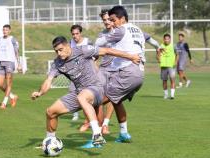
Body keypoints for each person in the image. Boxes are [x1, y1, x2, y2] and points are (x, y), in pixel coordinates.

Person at [31, 36, 141, 147]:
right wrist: (40, 93)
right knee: (50, 112)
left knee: (82, 97)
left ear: (68, 46)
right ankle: (49, 141)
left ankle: (97, 134)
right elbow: (48, 81)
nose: (59, 53)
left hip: (96, 88)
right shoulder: (57, 63)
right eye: (56, 51)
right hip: (79, 92)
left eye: (61, 49)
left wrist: (131, 57)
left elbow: (107, 50)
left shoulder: (82, 50)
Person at [95, 6, 145, 143]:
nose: (111, 23)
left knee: (94, 100)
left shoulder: (121, 30)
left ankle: (96, 138)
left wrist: (104, 40)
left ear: (122, 19)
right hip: (139, 74)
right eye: (109, 20)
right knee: (116, 102)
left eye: (113, 20)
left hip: (128, 72)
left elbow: (99, 43)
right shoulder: (137, 29)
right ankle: (124, 133)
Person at [0, 24, 22, 109]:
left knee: (9, 83)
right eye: (3, 30)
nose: (5, 31)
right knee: (0, 84)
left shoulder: (12, 39)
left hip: (10, 63)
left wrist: (19, 64)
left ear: (9, 31)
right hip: (1, 63)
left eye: (6, 30)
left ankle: (4, 103)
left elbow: (17, 52)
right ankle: (13, 96)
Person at [69, 24, 93, 121]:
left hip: (87, 73)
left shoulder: (88, 42)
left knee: (89, 95)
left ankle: (90, 114)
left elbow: (95, 55)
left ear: (81, 33)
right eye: (73, 34)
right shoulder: (70, 43)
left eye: (77, 33)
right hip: (74, 73)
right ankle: (75, 114)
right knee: (72, 91)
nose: (75, 36)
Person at [157, 33, 177, 99]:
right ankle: (165, 94)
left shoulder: (173, 46)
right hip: (163, 66)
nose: (166, 40)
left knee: (172, 80)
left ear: (170, 39)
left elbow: (177, 54)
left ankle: (172, 95)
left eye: (168, 39)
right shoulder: (161, 46)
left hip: (171, 66)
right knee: (164, 81)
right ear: (164, 39)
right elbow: (158, 55)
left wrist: (176, 62)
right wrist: (159, 58)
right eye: (165, 39)